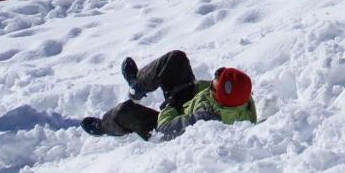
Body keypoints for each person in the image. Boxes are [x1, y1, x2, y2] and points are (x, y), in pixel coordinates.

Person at [81, 50, 256, 140]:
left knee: (124, 112)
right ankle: (137, 85)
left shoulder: (205, 120)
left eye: (215, 83)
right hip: (187, 104)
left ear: (218, 97)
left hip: (171, 126)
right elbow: (211, 90)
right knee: (176, 59)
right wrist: (189, 89)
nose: (214, 78)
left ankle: (105, 127)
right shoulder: (241, 98)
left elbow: (165, 130)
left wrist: (171, 105)